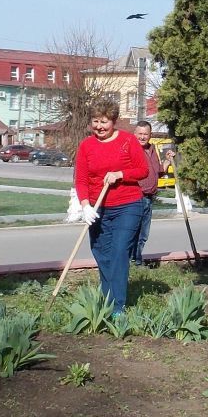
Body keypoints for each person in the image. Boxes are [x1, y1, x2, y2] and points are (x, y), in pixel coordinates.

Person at [73, 98, 148, 315]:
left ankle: (118, 307)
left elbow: (142, 170)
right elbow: (81, 180)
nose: (99, 126)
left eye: (104, 122)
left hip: (128, 206)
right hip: (98, 208)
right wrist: (85, 205)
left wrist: (120, 174)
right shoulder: (86, 145)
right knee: (102, 254)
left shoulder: (127, 141)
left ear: (113, 121)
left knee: (118, 252)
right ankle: (108, 299)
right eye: (95, 121)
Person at [129, 119, 162, 264]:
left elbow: (158, 171)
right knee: (134, 231)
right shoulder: (131, 150)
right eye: (140, 134)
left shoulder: (153, 150)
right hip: (136, 196)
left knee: (144, 233)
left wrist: (167, 161)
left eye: (145, 134)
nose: (142, 137)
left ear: (150, 135)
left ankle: (137, 259)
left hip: (149, 197)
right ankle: (133, 261)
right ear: (134, 134)